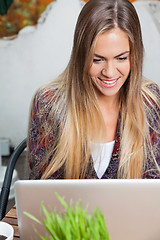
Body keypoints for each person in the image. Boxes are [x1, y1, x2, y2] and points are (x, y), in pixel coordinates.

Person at [27, 0, 160, 180]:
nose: (109, 72)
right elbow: (41, 194)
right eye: (97, 60)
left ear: (134, 55)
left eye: (121, 58)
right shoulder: (49, 103)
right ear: (81, 56)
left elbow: (153, 186)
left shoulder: (149, 101)